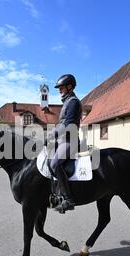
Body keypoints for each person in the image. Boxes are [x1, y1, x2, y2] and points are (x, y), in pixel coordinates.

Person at [47, 74, 83, 213]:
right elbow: (61, 124)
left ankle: (69, 200)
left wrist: (52, 135)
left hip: (70, 140)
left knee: (55, 164)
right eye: (59, 88)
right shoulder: (67, 102)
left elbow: (68, 125)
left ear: (69, 86)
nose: (59, 90)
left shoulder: (73, 102)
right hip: (62, 140)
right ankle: (54, 192)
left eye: (61, 87)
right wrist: (49, 135)